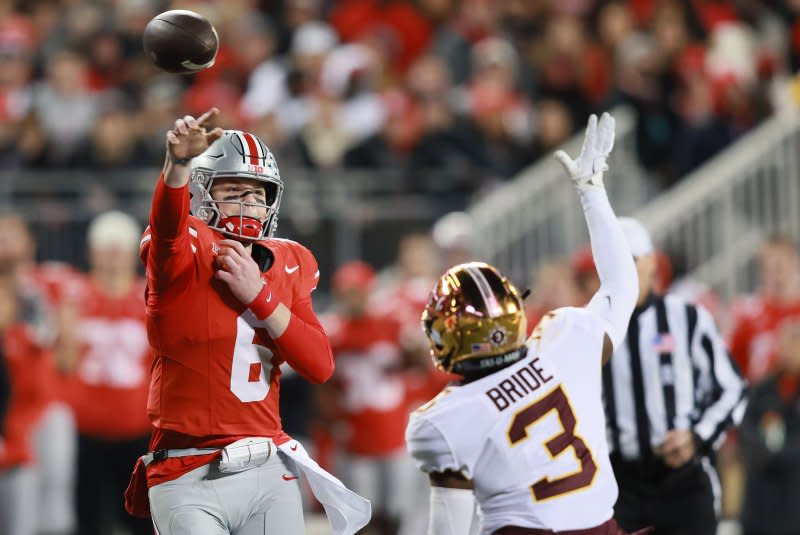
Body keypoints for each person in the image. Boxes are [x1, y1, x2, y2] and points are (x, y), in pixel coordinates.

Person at [124, 108, 370, 534]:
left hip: (268, 467)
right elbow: (167, 230)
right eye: (234, 190)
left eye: (257, 194)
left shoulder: (290, 260)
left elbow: (319, 365)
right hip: (187, 472)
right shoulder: (187, 249)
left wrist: (260, 297)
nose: (249, 203)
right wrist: (177, 166)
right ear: (203, 195)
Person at [406, 113, 643, 534]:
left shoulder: (445, 418)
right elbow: (622, 286)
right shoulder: (564, 339)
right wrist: (592, 191)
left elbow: (449, 528)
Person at [602, 217, 747, 535]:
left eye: (629, 261)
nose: (619, 271)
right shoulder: (591, 327)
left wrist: (697, 436)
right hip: (620, 485)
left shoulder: (687, 318)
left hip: (682, 480)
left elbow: (732, 387)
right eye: (609, 260)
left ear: (651, 263)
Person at [58, 211, 152, 535]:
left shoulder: (149, 298)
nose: (112, 260)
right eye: (105, 250)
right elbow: (64, 364)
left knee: (140, 521)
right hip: (86, 428)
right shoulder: (74, 296)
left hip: (137, 428)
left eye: (119, 251)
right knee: (87, 519)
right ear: (92, 253)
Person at [321, 260, 420, 535]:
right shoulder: (333, 331)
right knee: (361, 518)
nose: (352, 299)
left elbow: (421, 364)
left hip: (395, 434)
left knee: (397, 515)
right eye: (346, 292)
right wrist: (332, 421)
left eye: (357, 291)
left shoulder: (392, 322)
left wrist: (413, 348)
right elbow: (322, 385)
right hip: (356, 439)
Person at [739, 319, 800, 534]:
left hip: (793, 496)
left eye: (796, 345)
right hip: (760, 496)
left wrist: (780, 453)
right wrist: (762, 449)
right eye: (786, 345)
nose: (790, 352)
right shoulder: (763, 389)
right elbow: (746, 426)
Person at [729, 235, 800, 383]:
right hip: (762, 399)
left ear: (795, 263)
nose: (776, 275)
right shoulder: (748, 314)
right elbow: (735, 365)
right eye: (767, 267)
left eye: (780, 266)